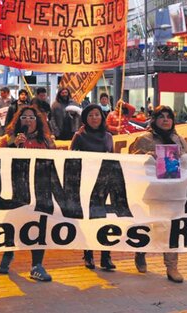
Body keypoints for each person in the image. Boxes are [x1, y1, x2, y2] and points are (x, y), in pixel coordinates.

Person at [130, 105, 187, 283]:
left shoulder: (179, 139)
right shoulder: (144, 139)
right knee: (151, 226)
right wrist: (148, 156)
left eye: (168, 117)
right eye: (161, 116)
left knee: (172, 230)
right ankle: (141, 251)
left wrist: (182, 156)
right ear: (154, 120)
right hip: (153, 191)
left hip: (174, 191)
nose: (165, 120)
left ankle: (172, 267)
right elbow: (131, 161)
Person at [0, 106, 54, 281]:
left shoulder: (45, 141)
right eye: (24, 117)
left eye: (31, 117)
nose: (28, 120)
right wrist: (13, 145)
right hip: (17, 190)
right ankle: (8, 254)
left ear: (37, 121)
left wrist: (53, 149)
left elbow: (55, 163)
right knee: (13, 222)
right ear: (18, 120)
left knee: (39, 227)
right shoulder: (9, 139)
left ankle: (37, 265)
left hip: (40, 191)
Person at [70, 104, 116, 271]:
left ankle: (106, 256)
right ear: (85, 119)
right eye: (90, 115)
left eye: (97, 115)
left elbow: (114, 159)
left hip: (104, 184)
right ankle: (88, 254)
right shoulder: (79, 136)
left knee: (105, 220)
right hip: (86, 184)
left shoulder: (109, 137)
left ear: (102, 117)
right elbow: (72, 159)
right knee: (89, 219)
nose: (94, 118)